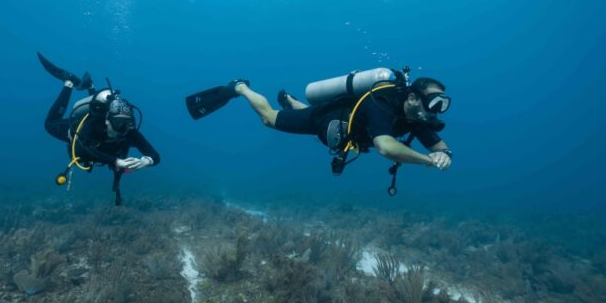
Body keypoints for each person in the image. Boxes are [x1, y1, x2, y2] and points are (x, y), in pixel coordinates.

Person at [186, 68, 451, 193]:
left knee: (310, 122)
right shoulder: (380, 103)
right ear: (413, 98)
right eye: (432, 102)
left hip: (346, 131)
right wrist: (428, 160)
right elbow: (385, 147)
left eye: (442, 104)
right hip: (328, 120)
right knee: (269, 118)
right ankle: (240, 86)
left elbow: (441, 148)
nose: (436, 110)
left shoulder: (419, 116)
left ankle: (292, 102)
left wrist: (445, 155)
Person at [39, 52, 160, 205]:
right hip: (79, 134)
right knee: (49, 124)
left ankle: (90, 87)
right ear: (106, 121)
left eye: (127, 124)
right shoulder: (94, 125)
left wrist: (146, 161)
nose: (122, 130)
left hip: (102, 148)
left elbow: (155, 155)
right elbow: (83, 149)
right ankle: (69, 83)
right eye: (118, 124)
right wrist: (116, 161)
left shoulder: (128, 131)